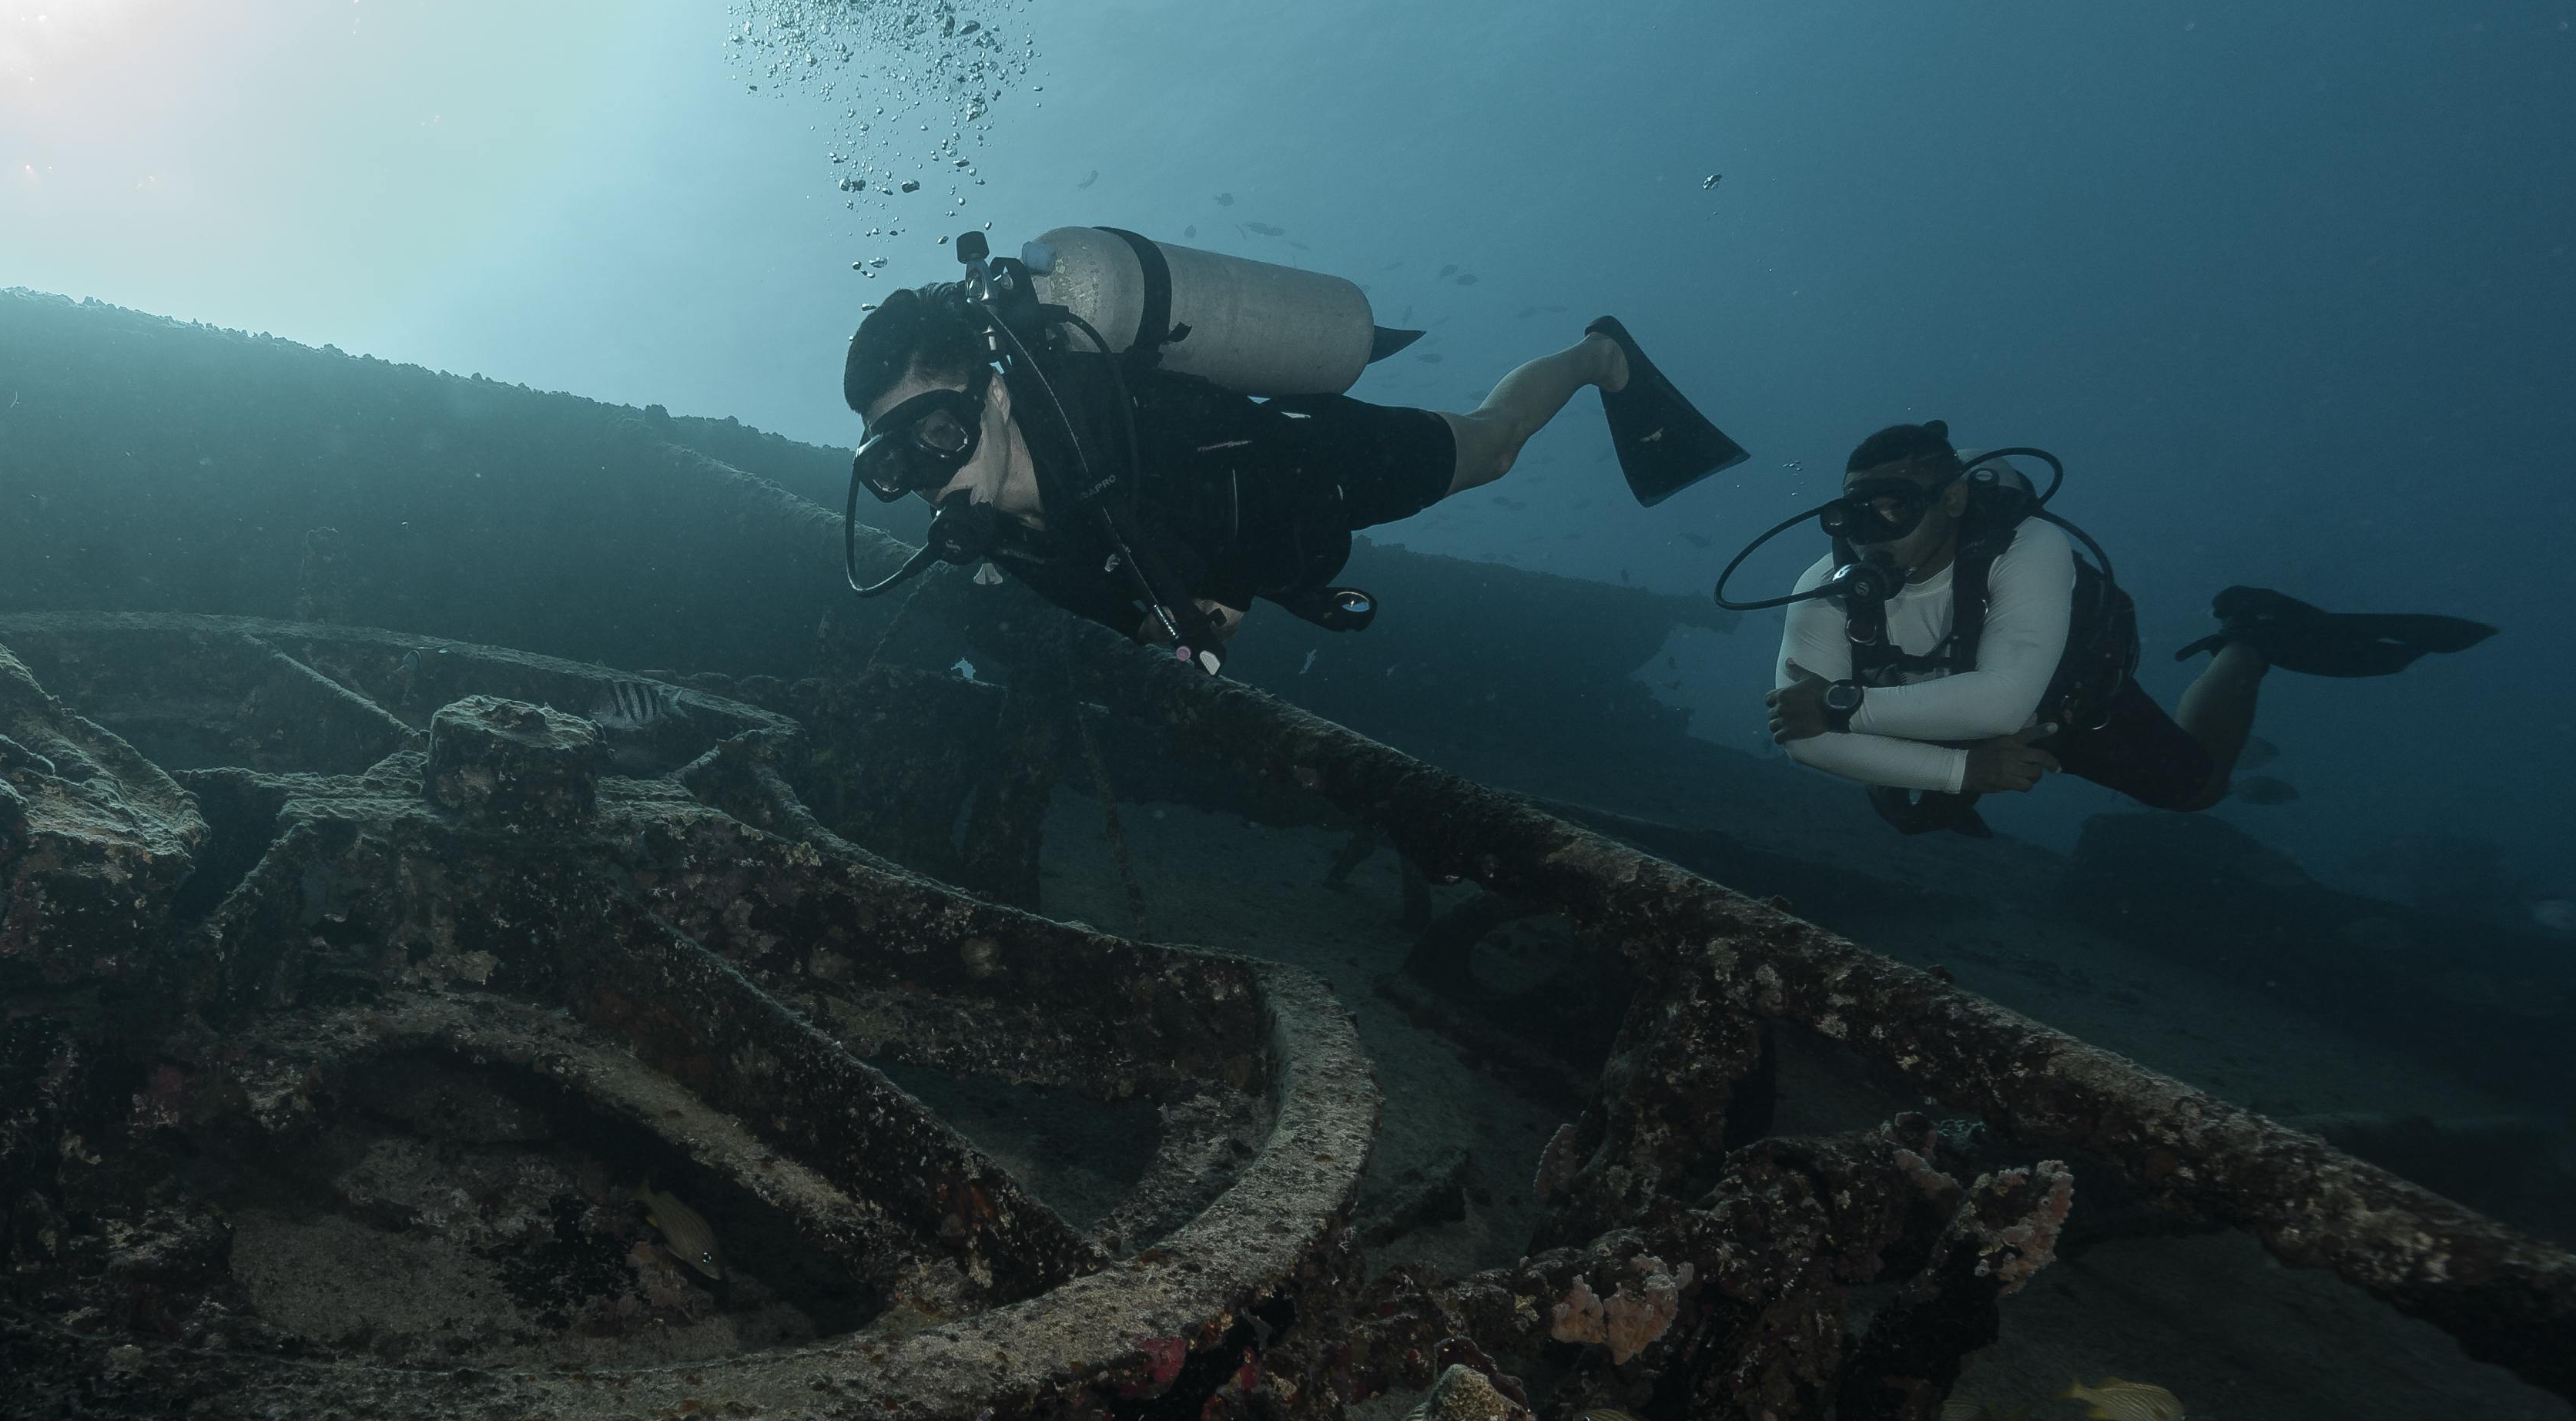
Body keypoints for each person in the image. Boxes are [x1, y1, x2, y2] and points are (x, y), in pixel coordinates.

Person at [843, 276, 1740, 665]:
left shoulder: (1106, 418)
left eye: (935, 433)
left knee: (1494, 445)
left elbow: (1247, 449)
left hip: (1323, 459)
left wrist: (1227, 583)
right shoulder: (997, 525)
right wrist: (1157, 621)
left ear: (994, 399)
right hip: (1277, 537)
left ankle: (1596, 352)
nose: (926, 477)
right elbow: (1096, 590)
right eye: (894, 464)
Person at [1761, 420, 2494, 836]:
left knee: (2202, 790)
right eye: (1852, 515)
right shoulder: (1823, 590)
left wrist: (1839, 707)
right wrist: (1962, 771)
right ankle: (1948, 788)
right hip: (1930, 717)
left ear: (1954, 500)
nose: (1868, 536)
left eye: (1894, 508)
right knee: (1910, 811)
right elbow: (1802, 748)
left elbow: (2001, 705)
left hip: (2069, 711)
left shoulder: (2029, 548)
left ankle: (2248, 641)